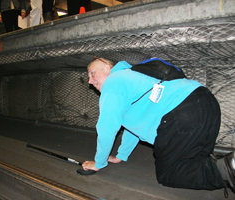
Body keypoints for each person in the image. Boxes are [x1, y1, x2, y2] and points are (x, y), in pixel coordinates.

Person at [82, 57, 235, 194]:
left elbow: (107, 127)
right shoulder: (134, 77)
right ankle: (229, 164)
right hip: (206, 103)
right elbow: (133, 126)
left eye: (92, 73)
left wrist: (99, 163)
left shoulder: (113, 82)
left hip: (181, 111)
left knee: (170, 173)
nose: (89, 80)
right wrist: (122, 155)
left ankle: (228, 169)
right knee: (194, 161)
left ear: (106, 67)